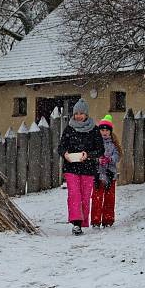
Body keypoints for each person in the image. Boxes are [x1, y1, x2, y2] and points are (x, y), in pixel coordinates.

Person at [56, 98, 104, 235]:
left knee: (84, 196)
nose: (78, 116)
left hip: (88, 168)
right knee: (74, 194)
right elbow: (61, 146)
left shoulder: (94, 130)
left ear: (86, 114)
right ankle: (76, 223)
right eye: (76, 113)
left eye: (81, 113)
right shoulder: (69, 128)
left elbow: (100, 150)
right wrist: (64, 153)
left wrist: (87, 155)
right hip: (71, 167)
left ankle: (82, 221)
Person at [91, 115, 123, 228]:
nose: (104, 132)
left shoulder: (114, 144)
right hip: (98, 174)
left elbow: (118, 156)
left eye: (107, 130)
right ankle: (95, 220)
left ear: (110, 131)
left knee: (109, 198)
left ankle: (108, 220)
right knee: (97, 198)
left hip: (110, 174)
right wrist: (98, 159)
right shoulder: (95, 142)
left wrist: (110, 159)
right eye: (102, 130)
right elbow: (91, 155)